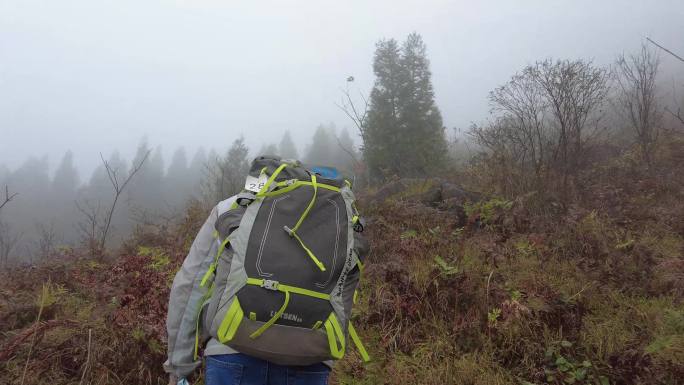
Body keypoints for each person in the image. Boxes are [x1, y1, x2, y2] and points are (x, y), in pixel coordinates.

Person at [164, 194, 331, 385]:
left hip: (231, 351)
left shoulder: (232, 206)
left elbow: (190, 285)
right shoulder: (329, 210)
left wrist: (179, 366)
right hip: (308, 357)